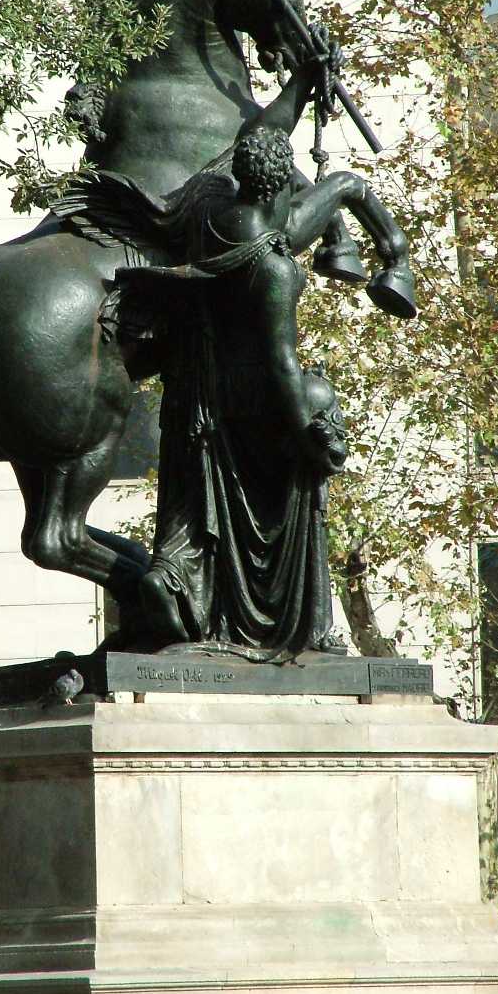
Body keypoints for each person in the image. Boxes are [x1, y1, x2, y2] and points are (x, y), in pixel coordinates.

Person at [129, 126, 411, 657]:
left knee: (204, 502)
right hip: (253, 398)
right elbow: (282, 363)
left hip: (201, 393)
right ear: (282, 182)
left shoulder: (212, 216)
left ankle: (178, 578)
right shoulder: (275, 269)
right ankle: (302, 626)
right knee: (313, 420)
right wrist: (308, 433)